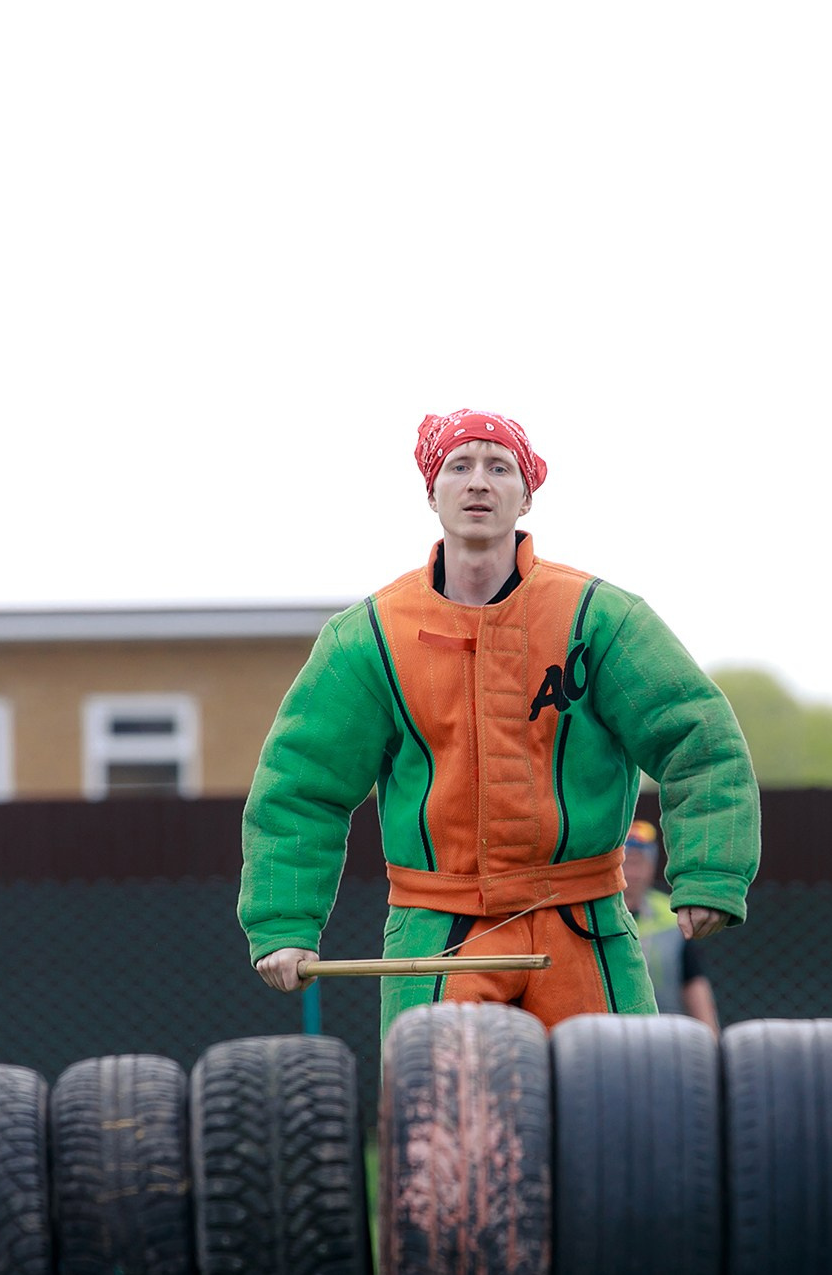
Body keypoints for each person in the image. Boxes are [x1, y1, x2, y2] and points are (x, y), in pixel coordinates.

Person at [239, 408, 758, 1030]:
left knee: (623, 1112)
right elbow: (299, 788)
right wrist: (284, 922)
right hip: (437, 939)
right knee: (441, 1115)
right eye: (459, 466)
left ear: (526, 494)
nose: (478, 482)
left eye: (498, 467)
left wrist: (711, 871)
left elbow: (699, 738)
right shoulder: (367, 639)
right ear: (432, 492)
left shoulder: (599, 618)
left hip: (586, 928)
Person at [623, 819, 719, 1033]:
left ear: (652, 867)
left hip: (667, 1032)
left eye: (638, 863)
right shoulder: (592, 915)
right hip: (608, 1031)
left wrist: (711, 1038)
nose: (632, 872)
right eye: (625, 863)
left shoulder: (671, 913)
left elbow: (694, 981)